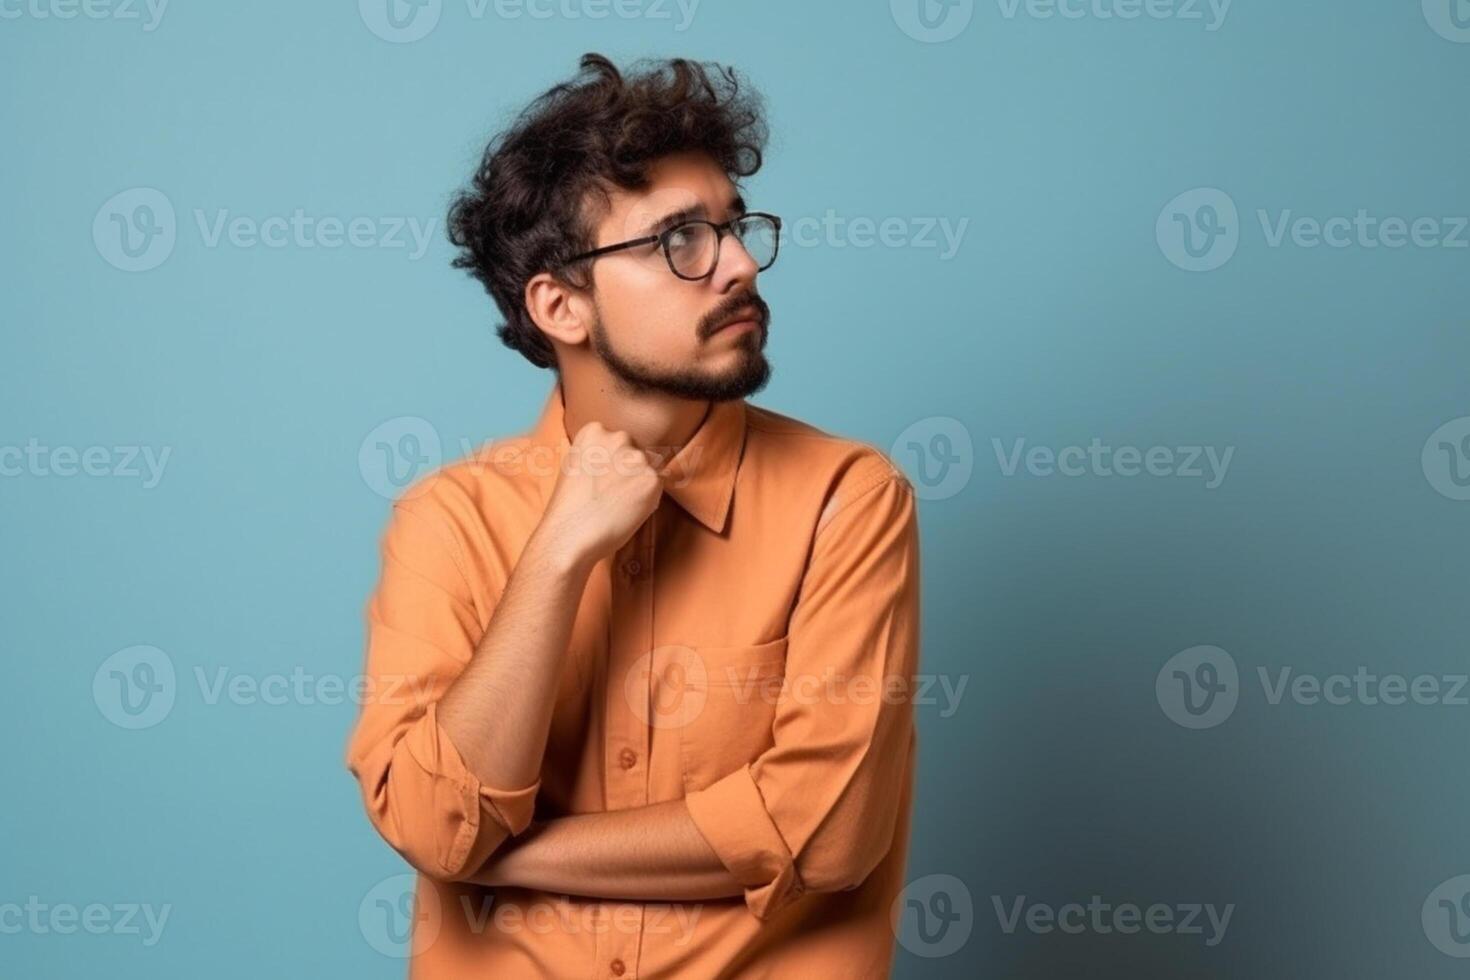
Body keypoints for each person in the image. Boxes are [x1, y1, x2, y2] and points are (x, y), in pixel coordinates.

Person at [345, 51, 922, 979]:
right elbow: (430, 819)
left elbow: (827, 830)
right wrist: (556, 559)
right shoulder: (448, 520)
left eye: (737, 230)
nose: (736, 265)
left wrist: (509, 856)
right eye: (679, 241)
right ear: (562, 306)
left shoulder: (845, 500)